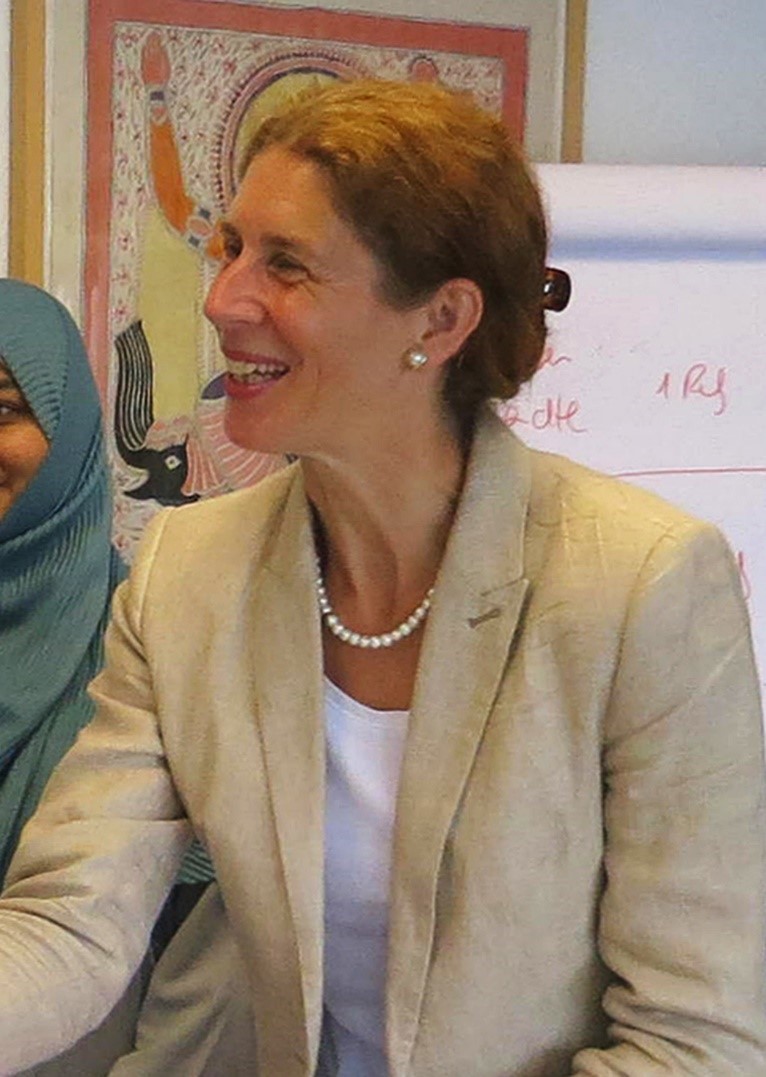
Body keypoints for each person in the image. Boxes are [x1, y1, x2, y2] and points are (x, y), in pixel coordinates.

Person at [0, 79, 763, 1076]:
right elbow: (72, 922)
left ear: (441, 320)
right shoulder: (188, 573)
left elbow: (696, 1040)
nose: (223, 299)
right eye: (232, 248)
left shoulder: (641, 586)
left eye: (286, 265)